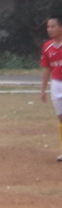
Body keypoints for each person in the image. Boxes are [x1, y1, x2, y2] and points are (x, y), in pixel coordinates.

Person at [40, 14, 62, 161]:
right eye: (48, 26)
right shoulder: (47, 46)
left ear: (61, 28)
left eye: (53, 26)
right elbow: (46, 69)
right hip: (56, 84)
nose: (50, 29)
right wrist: (43, 89)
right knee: (61, 118)